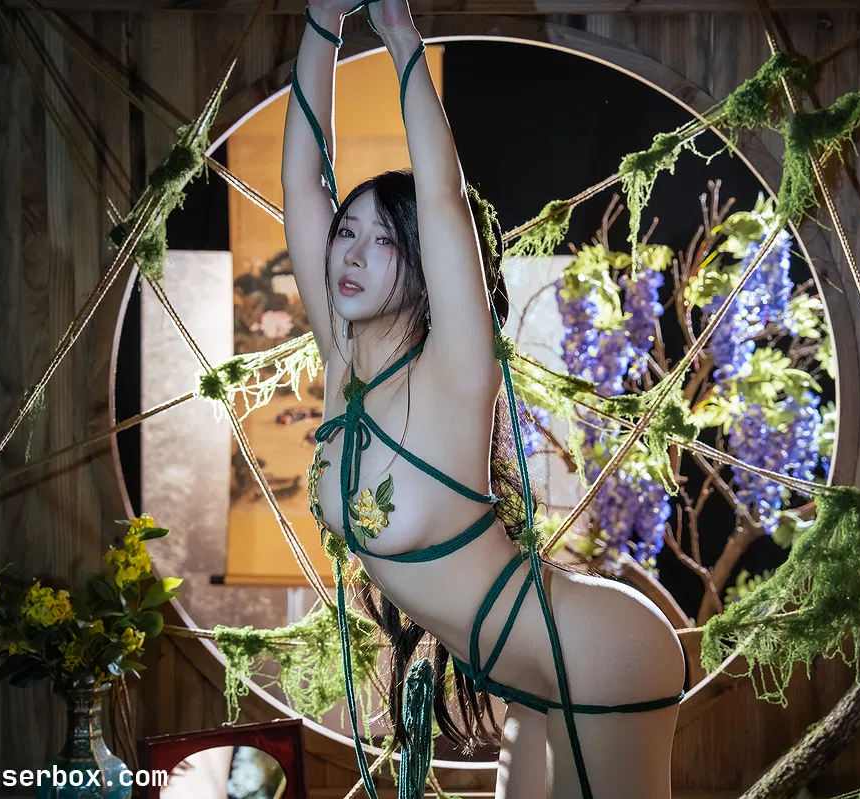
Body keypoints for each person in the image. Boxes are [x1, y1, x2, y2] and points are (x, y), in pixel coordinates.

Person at [281, 1, 686, 796]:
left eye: (384, 240)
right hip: (528, 674)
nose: (353, 254)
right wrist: (322, 21)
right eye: (346, 232)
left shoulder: (456, 368)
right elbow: (301, 180)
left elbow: (442, 199)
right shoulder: (343, 363)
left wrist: (400, 37)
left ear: (424, 265)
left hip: (594, 652)